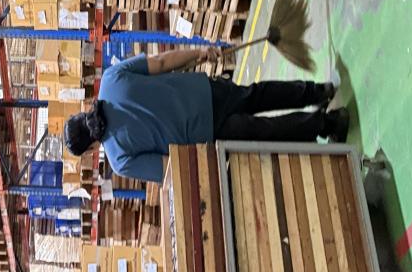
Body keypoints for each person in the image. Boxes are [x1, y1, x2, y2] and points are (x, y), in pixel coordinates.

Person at [64, 47, 348, 183]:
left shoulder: (119, 160)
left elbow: (170, 166)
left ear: (90, 149)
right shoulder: (111, 79)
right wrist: (198, 53)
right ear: (82, 112)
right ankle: (319, 91)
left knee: (265, 131)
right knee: (256, 94)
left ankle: (329, 123)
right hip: (203, 91)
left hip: (204, 131)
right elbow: (161, 62)